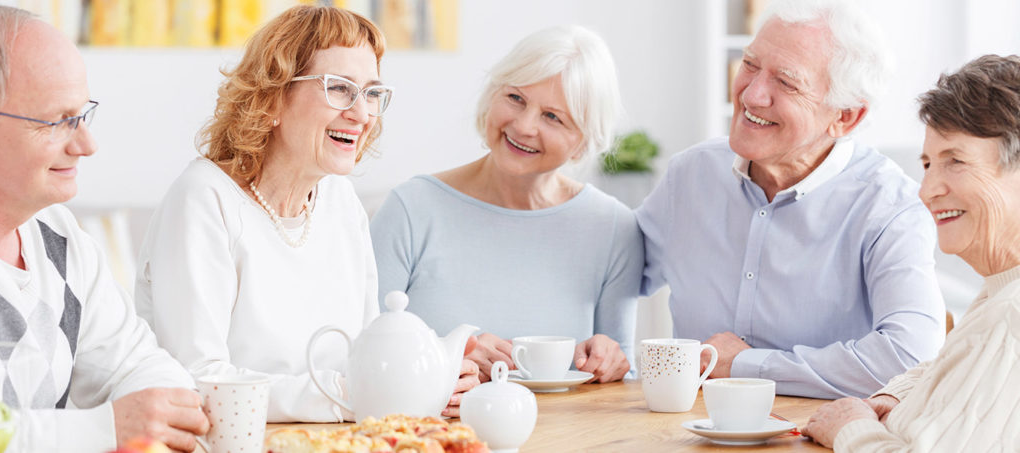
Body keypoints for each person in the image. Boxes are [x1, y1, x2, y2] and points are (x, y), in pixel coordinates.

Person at [133, 5, 477, 422]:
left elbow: (364, 357)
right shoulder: (205, 199)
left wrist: (426, 377)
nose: (362, 114)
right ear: (272, 97)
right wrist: (357, 395)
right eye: (339, 88)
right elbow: (197, 379)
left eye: (371, 93)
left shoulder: (341, 201)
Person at [636, 0, 946, 399]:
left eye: (786, 81)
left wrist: (749, 365)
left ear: (845, 117)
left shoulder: (889, 207)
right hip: (686, 434)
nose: (752, 94)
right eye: (750, 64)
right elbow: (611, 268)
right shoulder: (690, 176)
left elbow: (910, 358)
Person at [370, 25, 642, 384]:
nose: (524, 125)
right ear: (492, 94)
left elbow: (621, 377)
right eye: (515, 98)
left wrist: (612, 360)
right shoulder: (411, 209)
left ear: (583, 142)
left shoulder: (614, 227)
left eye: (553, 117)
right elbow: (361, 351)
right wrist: (449, 353)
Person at [0, 6, 209, 452]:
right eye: (58, 122)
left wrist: (157, 417)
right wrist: (106, 429)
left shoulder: (60, 236)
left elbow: (138, 365)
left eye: (82, 116)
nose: (86, 145)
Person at [803, 54, 1020, 451]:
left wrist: (850, 429)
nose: (927, 189)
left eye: (954, 161)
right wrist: (899, 393)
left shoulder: (1011, 317)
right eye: (927, 164)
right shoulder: (1000, 292)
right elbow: (957, 371)